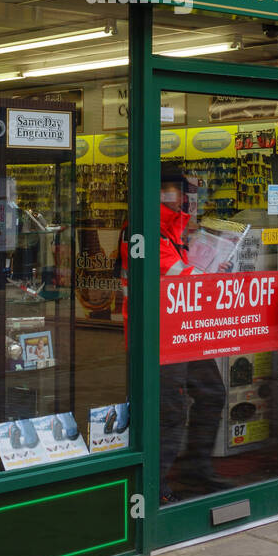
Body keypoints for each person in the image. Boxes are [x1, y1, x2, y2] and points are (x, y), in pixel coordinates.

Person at [121, 164, 226, 501]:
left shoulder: (172, 230)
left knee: (212, 393)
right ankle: (155, 483)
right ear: (163, 193)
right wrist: (208, 273)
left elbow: (185, 272)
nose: (186, 198)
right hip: (156, 336)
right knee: (169, 411)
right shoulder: (143, 230)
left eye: (186, 191)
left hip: (182, 331)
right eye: (180, 191)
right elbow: (175, 275)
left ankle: (197, 468)